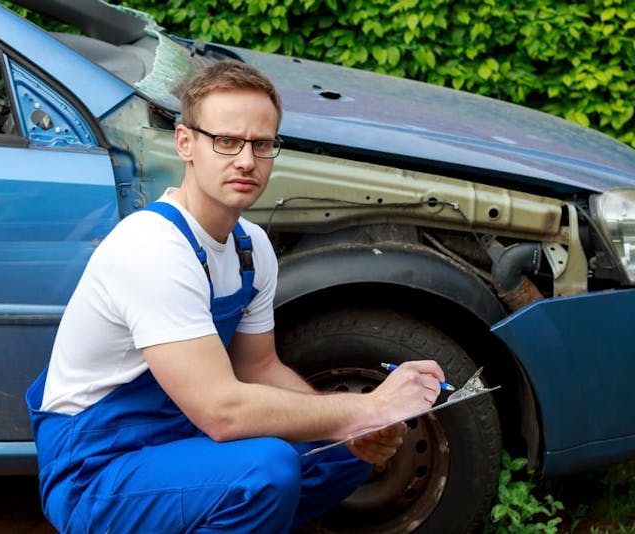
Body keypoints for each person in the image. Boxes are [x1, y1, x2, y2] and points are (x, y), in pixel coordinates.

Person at [26, 60, 446, 533]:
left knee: (341, 454)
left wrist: (355, 428)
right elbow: (222, 413)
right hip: (98, 468)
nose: (246, 160)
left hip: (181, 440)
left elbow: (259, 368)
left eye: (261, 144)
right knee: (264, 470)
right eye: (226, 141)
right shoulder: (152, 247)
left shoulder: (250, 247)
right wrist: (367, 408)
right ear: (186, 143)